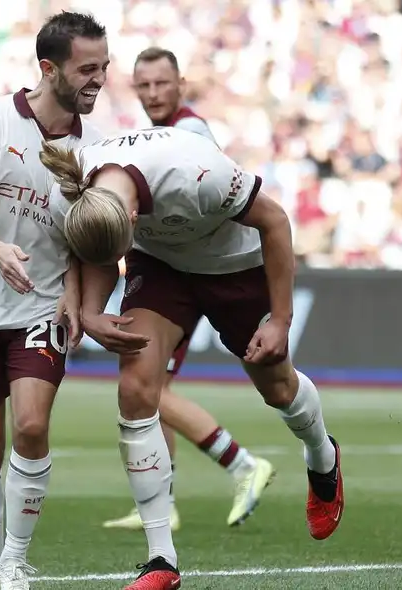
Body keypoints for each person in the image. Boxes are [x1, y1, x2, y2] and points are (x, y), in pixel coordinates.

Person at [41, 126, 345, 590]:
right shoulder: (86, 185)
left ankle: (322, 455)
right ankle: (161, 560)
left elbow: (276, 222)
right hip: (161, 265)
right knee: (137, 388)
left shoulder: (196, 174)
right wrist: (90, 310)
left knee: (278, 388)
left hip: (234, 265)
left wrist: (280, 319)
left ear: (136, 212)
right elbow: (99, 253)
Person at [0, 12, 112, 590]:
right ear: (49, 68)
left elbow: (88, 241)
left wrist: (73, 290)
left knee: (33, 426)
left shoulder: (96, 154)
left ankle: (14, 562)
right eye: (87, 69)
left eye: (104, 68)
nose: (98, 80)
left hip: (39, 307)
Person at [101, 46, 274, 533]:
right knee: (153, 389)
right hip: (176, 264)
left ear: (181, 84)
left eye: (162, 83)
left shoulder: (190, 131)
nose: (154, 93)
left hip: (189, 270)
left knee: (145, 387)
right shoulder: (156, 132)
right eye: (145, 85)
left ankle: (242, 465)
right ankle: (161, 500)